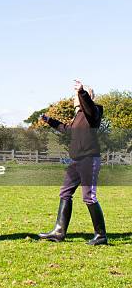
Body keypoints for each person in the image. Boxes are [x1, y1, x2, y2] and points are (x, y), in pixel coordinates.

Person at [38, 80, 107, 246]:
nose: (73, 98)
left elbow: (89, 107)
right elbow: (67, 129)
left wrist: (82, 92)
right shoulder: (78, 117)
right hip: (76, 161)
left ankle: (101, 235)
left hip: (89, 160)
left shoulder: (94, 111)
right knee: (65, 193)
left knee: (89, 197)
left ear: (88, 97)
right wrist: (49, 120)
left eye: (76, 96)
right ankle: (59, 231)